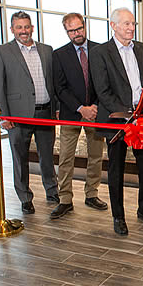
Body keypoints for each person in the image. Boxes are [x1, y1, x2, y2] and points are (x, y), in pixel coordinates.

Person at [90, 7, 143, 235]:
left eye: (133, 24)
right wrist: (126, 115)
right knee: (116, 170)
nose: (131, 28)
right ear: (113, 25)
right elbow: (103, 91)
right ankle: (118, 217)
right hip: (116, 121)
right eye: (126, 24)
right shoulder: (100, 53)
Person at [0, 11, 59, 214]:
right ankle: (25, 197)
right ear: (12, 29)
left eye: (26, 27)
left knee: (47, 156)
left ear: (32, 28)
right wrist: (3, 115)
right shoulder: (2, 51)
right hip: (18, 116)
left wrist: (56, 108)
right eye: (19, 27)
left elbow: (53, 81)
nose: (23, 31)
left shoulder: (46, 50)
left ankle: (52, 190)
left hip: (45, 111)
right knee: (20, 158)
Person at [50, 13, 107, 219]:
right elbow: (60, 88)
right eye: (72, 30)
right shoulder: (59, 55)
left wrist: (95, 106)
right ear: (66, 32)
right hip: (71, 113)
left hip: (96, 112)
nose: (77, 33)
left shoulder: (99, 50)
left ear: (85, 26)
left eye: (79, 29)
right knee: (65, 157)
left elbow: (105, 83)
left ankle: (92, 194)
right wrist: (80, 108)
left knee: (95, 156)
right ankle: (65, 199)